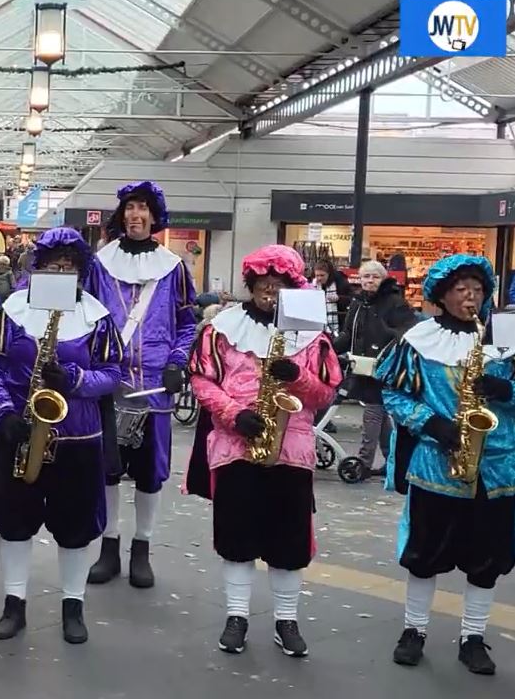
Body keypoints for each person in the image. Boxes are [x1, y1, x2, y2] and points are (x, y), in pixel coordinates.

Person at [185, 244, 341, 658]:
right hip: (235, 445)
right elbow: (201, 380)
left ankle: (286, 620)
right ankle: (236, 616)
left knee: (289, 539)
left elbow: (325, 394)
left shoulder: (312, 335)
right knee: (236, 534)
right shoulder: (222, 328)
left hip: (292, 448)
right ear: (251, 284)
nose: (271, 289)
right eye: (264, 282)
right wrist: (233, 414)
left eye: (280, 283)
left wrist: (298, 377)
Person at [0, 227, 123, 644]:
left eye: (69, 267)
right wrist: (4, 413)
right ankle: (14, 604)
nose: (61, 273)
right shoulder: (13, 309)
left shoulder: (96, 315)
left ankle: (73, 607)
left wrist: (75, 379)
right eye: (53, 266)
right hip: (20, 434)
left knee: (76, 527)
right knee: (14, 523)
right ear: (38, 268)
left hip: (77, 437)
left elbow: (112, 374)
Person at [377, 254, 514, 675]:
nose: (471, 297)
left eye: (478, 289)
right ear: (442, 294)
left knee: (487, 560)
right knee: (424, 553)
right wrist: (432, 424)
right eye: (461, 289)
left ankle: (473, 637)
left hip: (496, 467)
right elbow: (392, 393)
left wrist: (505, 389)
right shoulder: (418, 340)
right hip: (437, 464)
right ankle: (414, 630)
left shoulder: (505, 337)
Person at [87, 181, 196, 589]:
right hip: (110, 381)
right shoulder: (99, 264)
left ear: (154, 216)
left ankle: (142, 548)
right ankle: (109, 546)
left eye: (143, 208)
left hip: (154, 385)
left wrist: (177, 361)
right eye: (130, 207)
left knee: (151, 472)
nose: (136, 214)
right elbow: (85, 314)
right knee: (108, 470)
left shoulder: (173, 267)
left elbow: (186, 323)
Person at [333, 260, 417, 478]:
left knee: (373, 410)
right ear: (359, 279)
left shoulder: (394, 302)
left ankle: (364, 461)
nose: (369, 281)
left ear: (383, 279)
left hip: (384, 366)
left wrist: (388, 339)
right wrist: (329, 349)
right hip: (362, 364)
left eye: (375, 277)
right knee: (378, 412)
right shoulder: (358, 302)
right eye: (366, 276)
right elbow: (348, 333)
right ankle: (392, 460)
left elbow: (408, 331)